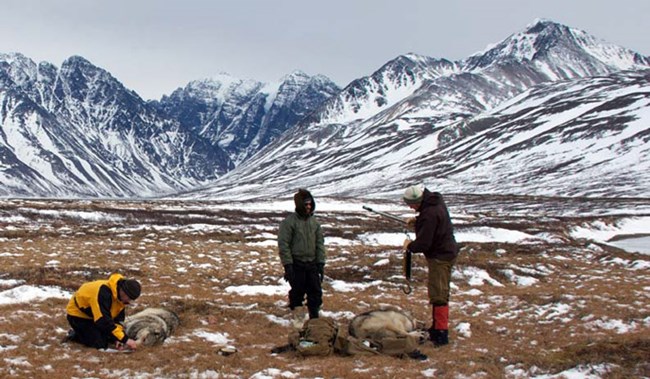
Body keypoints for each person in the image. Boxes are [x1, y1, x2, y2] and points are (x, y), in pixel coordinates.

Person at [402, 184, 458, 347]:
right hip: (446, 252)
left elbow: (424, 243)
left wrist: (410, 246)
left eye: (411, 205)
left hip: (440, 257)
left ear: (419, 200)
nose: (411, 208)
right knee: (439, 292)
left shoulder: (429, 213)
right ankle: (437, 328)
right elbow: (431, 224)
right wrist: (418, 221)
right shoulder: (434, 203)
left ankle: (440, 333)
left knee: (438, 294)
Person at [278, 188, 326, 327]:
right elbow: (284, 244)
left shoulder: (315, 223)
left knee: (316, 292)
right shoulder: (289, 223)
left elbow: (319, 244)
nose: (309, 207)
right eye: (306, 204)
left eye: (310, 204)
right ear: (299, 205)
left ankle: (314, 317)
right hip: (296, 263)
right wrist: (288, 265)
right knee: (297, 291)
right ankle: (297, 316)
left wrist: (321, 263)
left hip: (311, 263)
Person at [65, 273, 141, 350]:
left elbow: (118, 321)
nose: (129, 301)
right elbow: (102, 320)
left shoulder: (120, 298)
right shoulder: (103, 292)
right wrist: (125, 339)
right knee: (99, 343)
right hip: (78, 315)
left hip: (95, 316)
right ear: (123, 292)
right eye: (129, 298)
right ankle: (76, 334)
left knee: (111, 338)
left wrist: (117, 339)